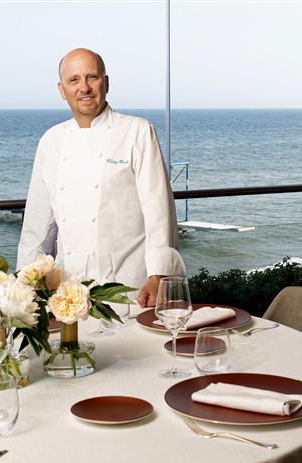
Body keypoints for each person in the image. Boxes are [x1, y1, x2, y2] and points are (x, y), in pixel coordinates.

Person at [17, 48, 185, 307]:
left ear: (106, 83)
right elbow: (37, 228)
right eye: (74, 80)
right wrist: (23, 290)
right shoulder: (51, 141)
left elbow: (158, 211)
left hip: (130, 290)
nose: (84, 87)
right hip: (67, 295)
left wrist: (158, 277)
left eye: (92, 77)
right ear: (62, 90)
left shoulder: (137, 132)